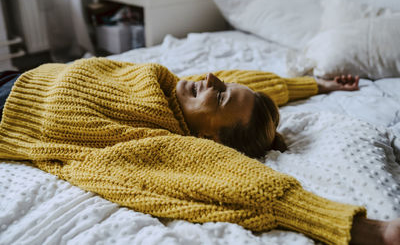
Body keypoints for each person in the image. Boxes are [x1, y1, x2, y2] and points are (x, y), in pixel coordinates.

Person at [0, 58, 399, 245]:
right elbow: (246, 81)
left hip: (7, 110)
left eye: (219, 95)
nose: (209, 78)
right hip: (20, 73)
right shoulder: (175, 87)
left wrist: (372, 231)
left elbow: (231, 178)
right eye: (219, 83)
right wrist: (318, 85)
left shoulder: (161, 141)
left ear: (210, 141)